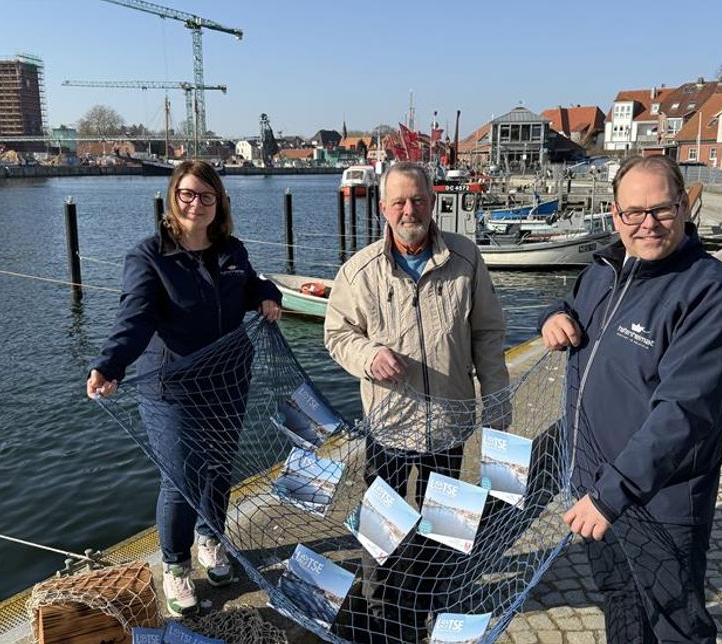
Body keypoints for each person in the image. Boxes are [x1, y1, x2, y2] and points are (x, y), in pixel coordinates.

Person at [538, 154, 722, 644]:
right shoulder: (604, 270)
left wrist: (612, 495)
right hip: (595, 484)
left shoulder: (712, 293)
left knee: (673, 621)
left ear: (684, 206)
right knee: (619, 598)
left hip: (658, 499)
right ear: (614, 215)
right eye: (633, 213)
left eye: (661, 210)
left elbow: (684, 412)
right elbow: (571, 307)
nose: (648, 225)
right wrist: (552, 315)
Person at [86, 160, 282, 617]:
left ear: (219, 203)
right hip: (170, 386)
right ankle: (175, 566)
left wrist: (267, 294)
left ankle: (211, 539)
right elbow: (135, 317)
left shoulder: (232, 250)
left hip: (228, 379)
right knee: (180, 476)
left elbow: (249, 285)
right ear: (174, 197)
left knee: (218, 467)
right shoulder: (148, 255)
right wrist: (110, 364)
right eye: (188, 194)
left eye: (206, 196)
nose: (196, 203)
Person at [324, 162, 509, 641]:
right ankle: (377, 606)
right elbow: (337, 334)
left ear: (433, 202)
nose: (410, 210)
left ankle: (430, 604)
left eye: (419, 200)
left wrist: (497, 404)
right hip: (387, 428)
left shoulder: (466, 259)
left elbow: (487, 334)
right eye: (399, 202)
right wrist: (368, 356)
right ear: (383, 207)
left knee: (444, 529)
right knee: (380, 528)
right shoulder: (360, 271)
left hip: (449, 425)